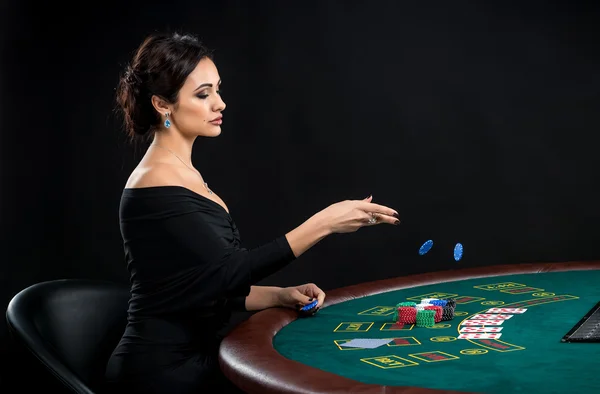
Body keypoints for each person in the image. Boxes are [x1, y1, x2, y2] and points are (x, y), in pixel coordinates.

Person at [104, 31, 400, 394]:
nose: (220, 103)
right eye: (203, 94)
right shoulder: (155, 181)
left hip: (199, 357)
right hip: (159, 372)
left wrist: (280, 295)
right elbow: (230, 273)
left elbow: (206, 286)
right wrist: (325, 223)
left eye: (217, 89)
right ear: (163, 104)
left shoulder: (181, 172)